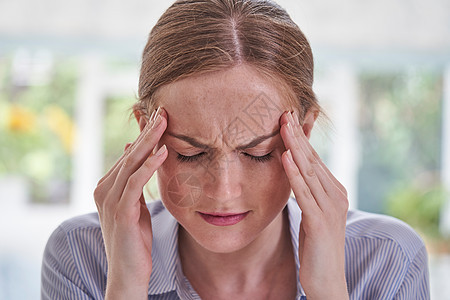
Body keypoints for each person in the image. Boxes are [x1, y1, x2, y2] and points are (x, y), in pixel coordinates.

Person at [41, 0, 430, 299]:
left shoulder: (387, 260)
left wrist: (328, 288)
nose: (223, 192)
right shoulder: (82, 255)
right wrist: (125, 285)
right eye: (189, 153)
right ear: (148, 136)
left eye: (257, 153)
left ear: (305, 134)